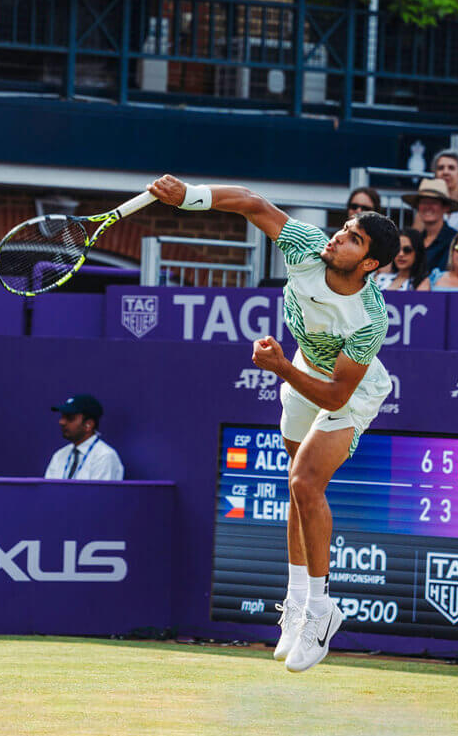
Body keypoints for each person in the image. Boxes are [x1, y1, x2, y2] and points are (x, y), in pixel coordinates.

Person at [146, 173, 400, 674]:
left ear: (369, 263)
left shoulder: (368, 318)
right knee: (297, 489)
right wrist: (189, 197)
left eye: (352, 238)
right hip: (304, 370)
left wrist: (280, 367)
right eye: (343, 227)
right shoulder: (307, 246)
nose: (337, 236)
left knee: (306, 481)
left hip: (348, 391)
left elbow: (337, 394)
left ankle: (324, 610)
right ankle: (296, 604)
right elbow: (249, 202)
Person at [43, 394, 123, 480]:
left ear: (88, 424)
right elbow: (48, 491)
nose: (61, 422)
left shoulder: (104, 456)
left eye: (70, 418)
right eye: (62, 417)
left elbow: (100, 493)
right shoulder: (60, 455)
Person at [403, 178, 458, 273]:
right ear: (418, 206)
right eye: (423, 202)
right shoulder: (416, 240)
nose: (428, 207)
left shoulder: (455, 240)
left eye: (434, 202)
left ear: (445, 208)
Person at [419, 149, 458, 231]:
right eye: (441, 168)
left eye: (451, 168)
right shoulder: (429, 195)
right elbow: (417, 233)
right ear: (435, 175)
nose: (445, 172)